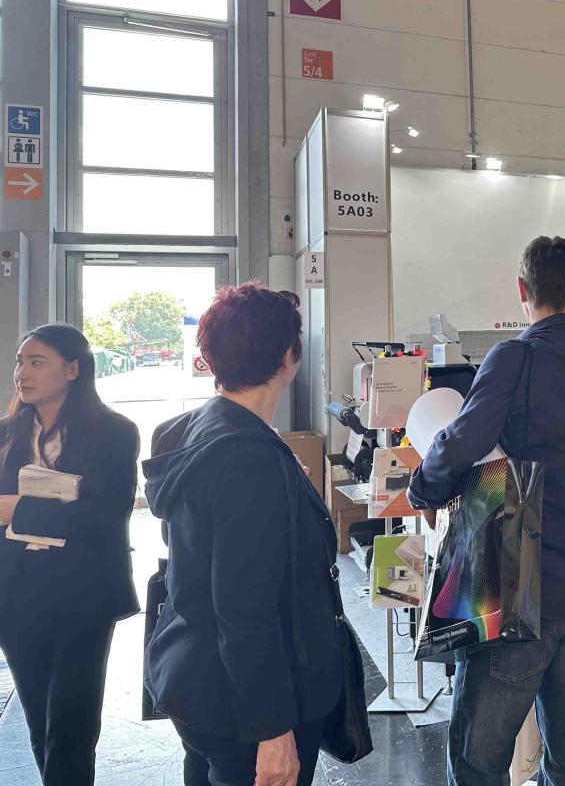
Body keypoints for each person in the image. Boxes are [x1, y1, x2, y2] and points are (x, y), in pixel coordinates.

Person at [409, 236, 565, 786]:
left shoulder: (514, 357)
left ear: (521, 289)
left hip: (510, 587)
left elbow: (462, 440)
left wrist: (424, 490)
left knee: (479, 759)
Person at [144, 283, 345, 786]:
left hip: (192, 674)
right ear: (288, 357)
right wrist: (272, 731)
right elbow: (245, 608)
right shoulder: (250, 460)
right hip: (246, 703)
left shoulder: (186, 429)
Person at [0, 324, 140, 786]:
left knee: (72, 724)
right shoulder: (6, 434)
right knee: (40, 721)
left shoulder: (114, 433)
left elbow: (105, 515)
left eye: (37, 362)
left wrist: (19, 509)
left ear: (73, 369)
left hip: (84, 595)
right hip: (16, 594)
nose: (22, 373)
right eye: (20, 362)